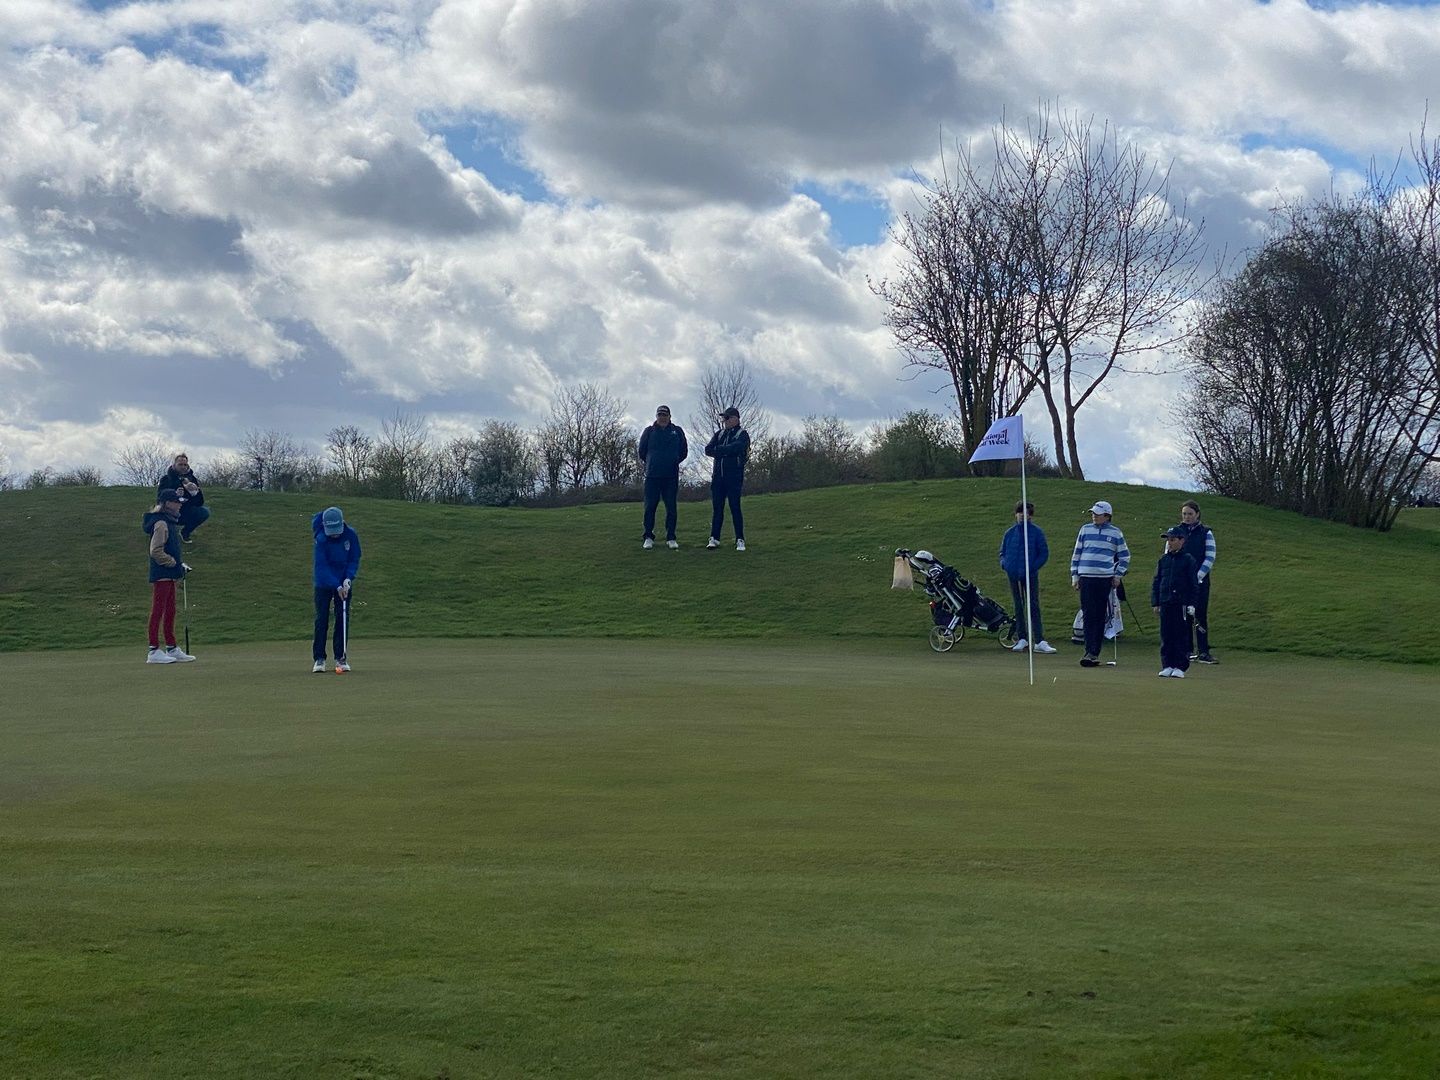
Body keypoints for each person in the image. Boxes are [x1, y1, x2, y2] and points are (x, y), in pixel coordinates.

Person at [1070, 500, 1130, 667]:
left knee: (1099, 615)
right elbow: (1077, 554)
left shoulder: (1116, 533)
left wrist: (1118, 575)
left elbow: (1125, 556)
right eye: (1093, 513)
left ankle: (1093, 652)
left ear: (1107, 516)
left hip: (1104, 579)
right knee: (1088, 614)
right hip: (1085, 577)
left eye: (1098, 514)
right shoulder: (1085, 529)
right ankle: (1089, 651)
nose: (1094, 516)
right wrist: (1074, 576)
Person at [143, 488, 195, 664]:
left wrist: (179, 564)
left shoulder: (170, 522)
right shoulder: (161, 523)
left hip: (170, 573)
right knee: (158, 610)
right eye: (176, 502)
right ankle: (153, 650)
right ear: (167, 504)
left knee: (171, 610)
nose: (179, 505)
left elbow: (170, 548)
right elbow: (155, 551)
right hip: (162, 573)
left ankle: (171, 647)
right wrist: (172, 562)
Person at [998, 500, 1055, 653]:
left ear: (1031, 516)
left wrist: (1032, 568)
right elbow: (1002, 552)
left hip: (1030, 574)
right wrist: (1005, 565)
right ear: (1016, 514)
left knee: (1033, 605)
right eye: (1020, 513)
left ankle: (1039, 640)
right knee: (1018, 605)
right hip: (1013, 574)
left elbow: (1043, 553)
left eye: (1027, 513)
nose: (1023, 515)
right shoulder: (1009, 533)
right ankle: (1022, 638)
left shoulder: (1037, 532)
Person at [312, 506, 361, 673]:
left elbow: (354, 558)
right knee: (322, 618)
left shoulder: (351, 535)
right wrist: (336, 585)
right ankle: (319, 658)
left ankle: (340, 657)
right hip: (323, 582)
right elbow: (322, 567)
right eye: (331, 531)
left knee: (342, 617)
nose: (334, 534)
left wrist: (348, 579)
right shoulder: (321, 539)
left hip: (343, 580)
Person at [637, 404, 687, 549]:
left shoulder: (677, 431)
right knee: (650, 507)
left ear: (669, 416)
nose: (662, 418)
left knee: (671, 508)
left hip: (671, 476)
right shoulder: (649, 431)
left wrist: (673, 461)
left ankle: (671, 537)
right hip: (652, 475)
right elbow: (642, 452)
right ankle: (648, 536)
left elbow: (683, 451)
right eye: (660, 415)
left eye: (665, 415)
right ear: (656, 416)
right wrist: (652, 462)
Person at [1152, 526, 1198, 678]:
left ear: (1181, 541)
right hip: (1166, 601)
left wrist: (1192, 603)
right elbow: (1157, 581)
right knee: (1166, 634)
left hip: (1181, 603)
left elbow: (1193, 584)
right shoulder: (1163, 560)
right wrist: (1156, 602)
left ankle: (1180, 666)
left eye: (1172, 540)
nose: (1169, 543)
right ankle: (1167, 665)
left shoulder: (1188, 560)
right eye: (1168, 540)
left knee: (1181, 635)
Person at [1177, 499, 1218, 664]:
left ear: (1197, 514)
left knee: (1200, 615)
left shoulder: (1206, 532)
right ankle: (1187, 650)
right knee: (1184, 616)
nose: (1187, 517)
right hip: (1182, 582)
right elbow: (1169, 553)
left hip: (1200, 582)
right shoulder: (1177, 531)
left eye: (1190, 514)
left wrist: (1197, 577)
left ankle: (1203, 651)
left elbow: (1210, 557)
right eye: (1184, 514)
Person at [704, 406, 750, 551]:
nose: (725, 421)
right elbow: (708, 449)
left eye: (727, 418)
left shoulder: (742, 434)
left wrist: (721, 450)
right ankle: (714, 538)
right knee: (717, 508)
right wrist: (724, 451)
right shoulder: (719, 434)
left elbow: (737, 448)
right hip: (718, 477)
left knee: (735, 507)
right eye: (724, 418)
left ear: (735, 419)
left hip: (734, 477)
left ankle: (740, 539)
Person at [156, 453, 209, 544]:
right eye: (180, 464)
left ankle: (185, 532)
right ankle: (161, 532)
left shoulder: (192, 479)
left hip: (185, 511)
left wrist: (194, 493)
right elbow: (160, 498)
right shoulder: (166, 479)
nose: (183, 467)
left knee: (204, 512)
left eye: (185, 465)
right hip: (169, 511)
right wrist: (174, 493)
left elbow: (199, 502)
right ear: (174, 465)